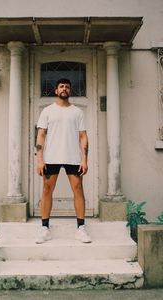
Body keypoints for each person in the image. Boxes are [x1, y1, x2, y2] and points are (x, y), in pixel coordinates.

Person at [35, 78, 91, 244]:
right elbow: (41, 135)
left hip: (73, 157)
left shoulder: (77, 112)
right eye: (61, 86)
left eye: (67, 86)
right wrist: (40, 160)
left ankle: (81, 228)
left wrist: (84, 159)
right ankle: (45, 228)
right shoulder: (47, 111)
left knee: (78, 189)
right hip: (51, 156)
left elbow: (83, 136)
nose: (64, 88)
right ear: (56, 90)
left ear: (70, 90)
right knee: (46, 190)